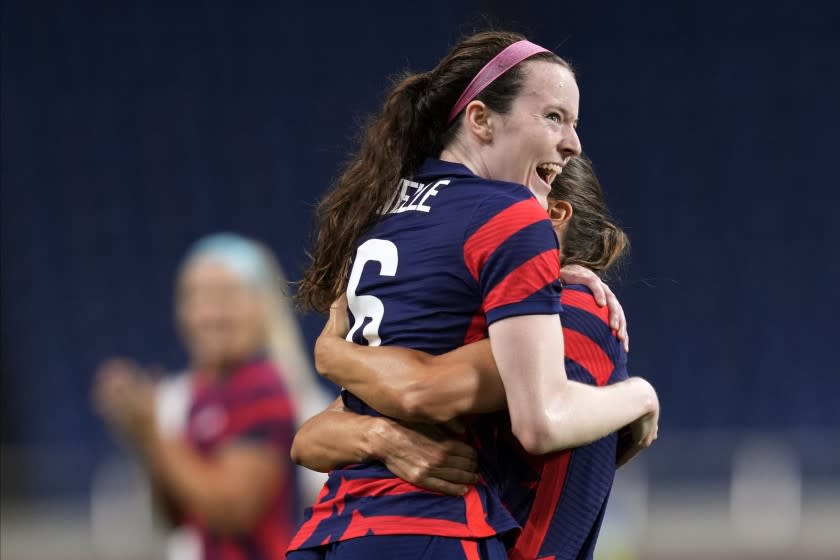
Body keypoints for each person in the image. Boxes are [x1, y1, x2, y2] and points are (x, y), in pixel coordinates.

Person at [290, 30, 658, 559]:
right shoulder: (514, 222)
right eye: (554, 116)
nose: (574, 142)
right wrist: (641, 397)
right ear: (481, 119)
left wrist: (333, 354)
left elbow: (312, 436)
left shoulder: (382, 215)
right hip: (430, 530)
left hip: (330, 530)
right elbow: (538, 423)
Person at [93, 233, 332, 560]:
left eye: (224, 296)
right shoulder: (197, 394)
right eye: (193, 297)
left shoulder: (266, 387)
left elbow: (233, 512)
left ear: (261, 305)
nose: (207, 315)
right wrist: (141, 434)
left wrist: (151, 433)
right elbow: (178, 517)